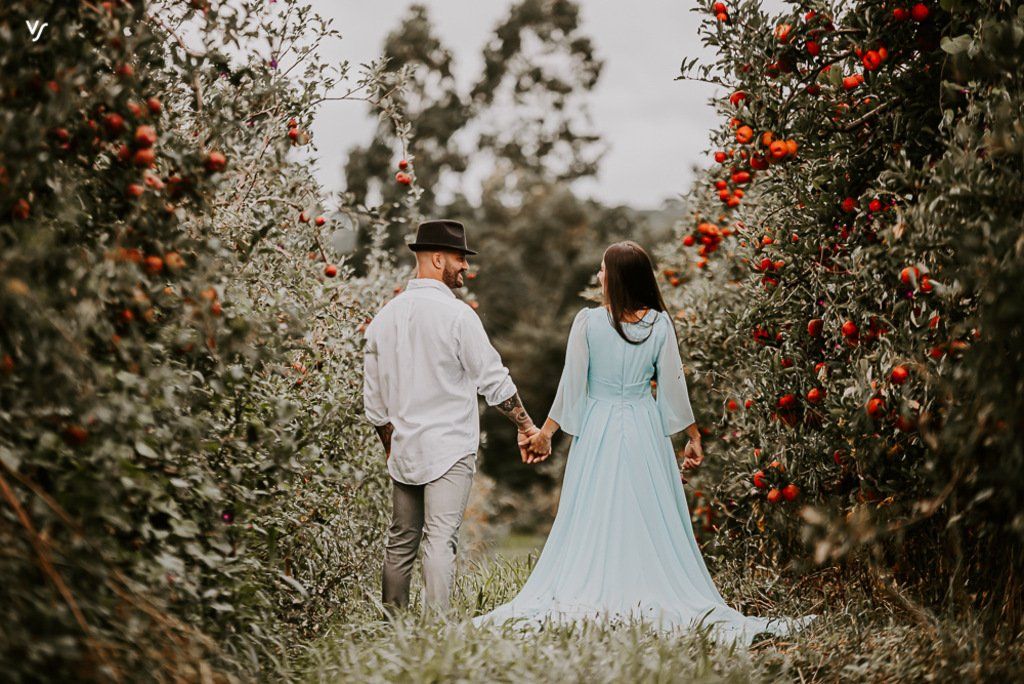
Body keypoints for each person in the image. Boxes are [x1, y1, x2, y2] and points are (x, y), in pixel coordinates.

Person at [473, 240, 814, 644]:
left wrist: (546, 432)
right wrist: (691, 436)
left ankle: (603, 586)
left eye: (602, 269)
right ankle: (646, 587)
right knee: (647, 508)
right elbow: (672, 384)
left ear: (614, 276)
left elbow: (572, 384)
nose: (599, 276)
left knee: (597, 507)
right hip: (644, 427)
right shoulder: (659, 324)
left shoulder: (587, 322)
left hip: (598, 427)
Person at [362, 219, 548, 614]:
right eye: (460, 258)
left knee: (400, 541)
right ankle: (436, 630)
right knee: (440, 539)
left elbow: (374, 402)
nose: (465, 267)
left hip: (405, 449)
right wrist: (528, 427)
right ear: (436, 258)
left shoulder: (384, 319)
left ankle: (390, 626)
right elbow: (494, 381)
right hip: (449, 448)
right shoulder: (458, 316)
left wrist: (391, 446)